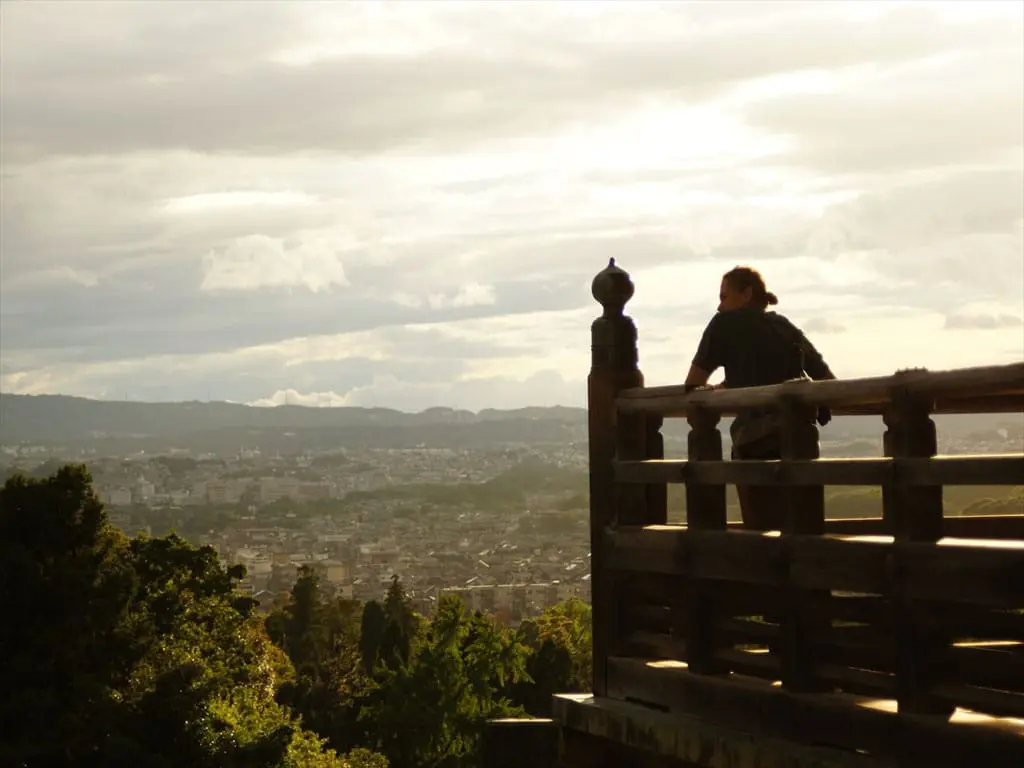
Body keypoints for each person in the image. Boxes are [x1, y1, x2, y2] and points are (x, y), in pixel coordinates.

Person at [683, 266, 836, 530]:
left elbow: (693, 386)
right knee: (803, 533)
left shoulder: (724, 325)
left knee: (760, 535)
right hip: (802, 443)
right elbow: (827, 381)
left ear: (746, 294)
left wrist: (717, 392)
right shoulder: (784, 327)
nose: (719, 307)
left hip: (754, 442)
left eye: (723, 297)